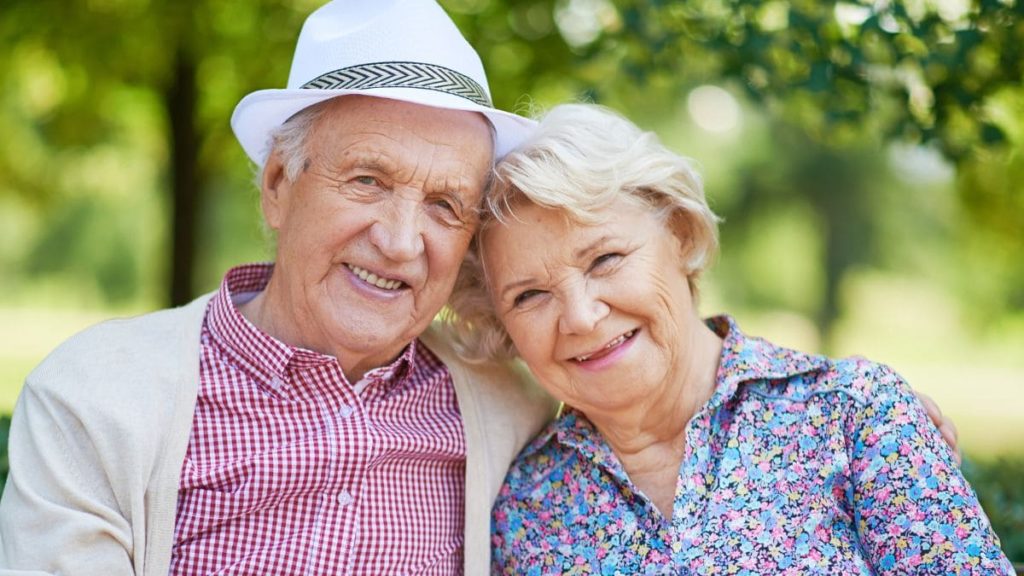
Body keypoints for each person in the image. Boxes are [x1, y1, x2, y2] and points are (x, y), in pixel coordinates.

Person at [0, 1, 557, 574]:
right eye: (369, 180)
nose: (400, 242)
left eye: (444, 205)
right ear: (278, 185)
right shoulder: (94, 401)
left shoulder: (513, 411)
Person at [444, 103, 1014, 574]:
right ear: (500, 323)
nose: (582, 317)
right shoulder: (525, 504)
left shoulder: (856, 414)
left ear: (681, 234)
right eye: (529, 296)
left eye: (606, 259)